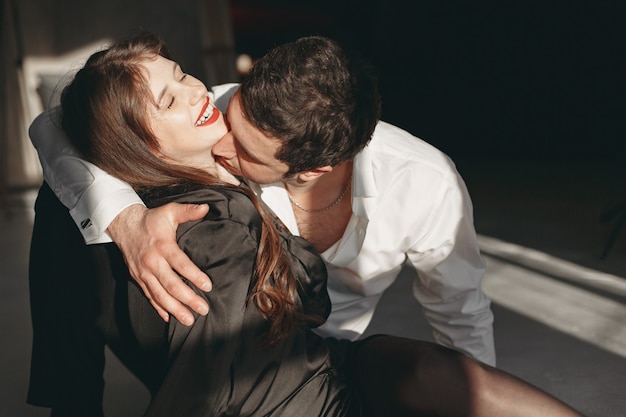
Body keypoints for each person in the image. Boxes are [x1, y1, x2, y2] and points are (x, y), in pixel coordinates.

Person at [28, 31, 586, 417]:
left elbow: (460, 310)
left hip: (331, 355)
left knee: (436, 374)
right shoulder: (221, 116)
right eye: (230, 112)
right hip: (242, 363)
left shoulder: (423, 182)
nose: (221, 135)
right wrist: (123, 218)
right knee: (63, 205)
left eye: (242, 149)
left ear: (310, 170)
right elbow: (57, 123)